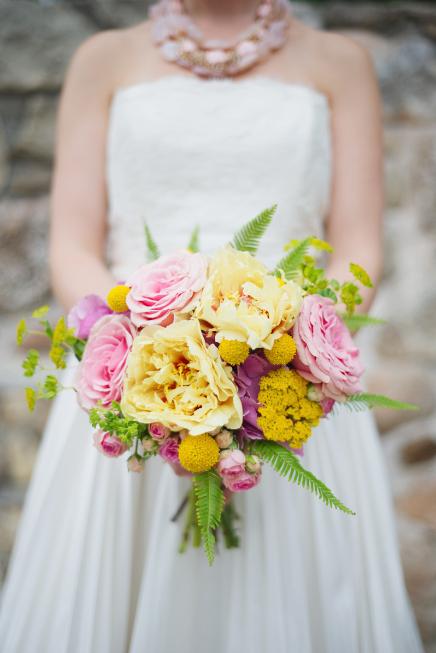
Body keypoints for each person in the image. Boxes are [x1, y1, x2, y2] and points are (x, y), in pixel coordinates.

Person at [0, 1, 424, 651]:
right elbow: (72, 247)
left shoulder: (340, 64)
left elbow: (358, 249)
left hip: (289, 381)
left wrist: (285, 343)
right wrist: (148, 339)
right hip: (134, 373)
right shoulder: (103, 60)